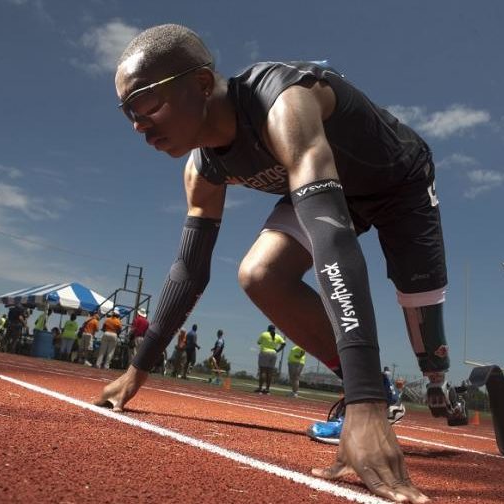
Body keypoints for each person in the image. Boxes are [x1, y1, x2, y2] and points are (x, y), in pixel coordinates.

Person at [95, 24, 465, 502]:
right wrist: (138, 368)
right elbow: (190, 269)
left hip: (398, 183)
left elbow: (329, 234)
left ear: (202, 84)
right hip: (326, 191)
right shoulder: (202, 167)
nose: (137, 123)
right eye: (127, 110)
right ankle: (375, 388)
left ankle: (438, 383)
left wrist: (364, 410)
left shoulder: (285, 103)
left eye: (146, 102)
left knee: (424, 330)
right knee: (260, 274)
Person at [255, 325, 285, 394]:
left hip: (264, 352)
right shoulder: (278, 336)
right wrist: (277, 350)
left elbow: (258, 342)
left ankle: (260, 388)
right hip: (273, 353)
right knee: (270, 372)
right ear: (274, 329)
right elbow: (283, 344)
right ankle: (267, 389)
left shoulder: (264, 334)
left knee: (263, 371)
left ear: (268, 329)